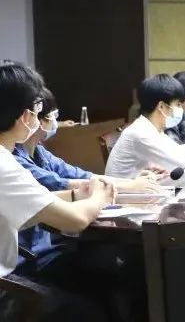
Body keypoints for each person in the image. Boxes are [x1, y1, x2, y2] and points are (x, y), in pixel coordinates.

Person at [0, 61, 115, 321]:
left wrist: (76, 195)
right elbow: (75, 219)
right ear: (25, 115)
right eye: (37, 109)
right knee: (91, 308)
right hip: (6, 288)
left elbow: (29, 202)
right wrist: (99, 197)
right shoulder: (4, 163)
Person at [15, 89, 161, 263]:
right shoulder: (13, 160)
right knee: (116, 259)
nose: (55, 122)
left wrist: (131, 183)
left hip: (51, 243)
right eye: (51, 116)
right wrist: (128, 186)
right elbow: (62, 185)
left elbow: (81, 175)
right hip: (32, 256)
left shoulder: (40, 152)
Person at [105, 74, 185, 185]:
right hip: (123, 194)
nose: (181, 109)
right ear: (161, 106)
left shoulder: (149, 128)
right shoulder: (141, 133)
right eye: (178, 104)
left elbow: (179, 152)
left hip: (138, 189)